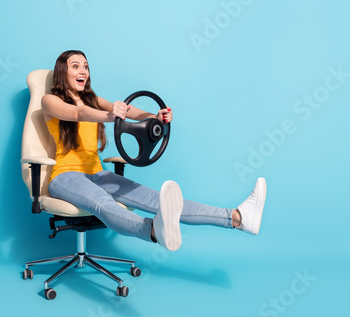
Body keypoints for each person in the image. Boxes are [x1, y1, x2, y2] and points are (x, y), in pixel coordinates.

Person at [41, 50, 267, 251]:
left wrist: (156, 117)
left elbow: (131, 112)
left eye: (86, 66)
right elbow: (77, 114)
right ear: (63, 72)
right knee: (103, 202)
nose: (83, 71)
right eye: (76, 66)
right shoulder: (49, 100)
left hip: (98, 173)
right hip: (65, 176)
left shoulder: (92, 100)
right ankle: (153, 230)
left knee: (160, 200)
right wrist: (109, 116)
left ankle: (237, 218)